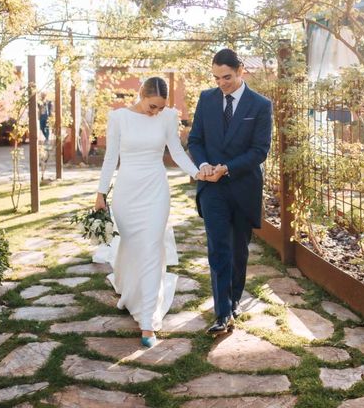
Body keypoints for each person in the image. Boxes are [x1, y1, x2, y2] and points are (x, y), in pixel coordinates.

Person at [94, 77, 201, 347]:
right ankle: (131, 294)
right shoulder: (119, 118)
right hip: (127, 193)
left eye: (160, 107)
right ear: (141, 95)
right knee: (131, 248)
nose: (155, 112)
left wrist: (197, 173)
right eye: (152, 106)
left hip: (156, 190)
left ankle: (148, 322)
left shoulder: (167, 117)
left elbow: (176, 150)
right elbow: (111, 157)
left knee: (153, 248)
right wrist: (100, 193)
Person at [188, 48, 273, 335]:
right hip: (211, 188)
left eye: (226, 77)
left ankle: (234, 299)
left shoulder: (260, 105)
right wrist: (203, 164)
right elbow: (196, 139)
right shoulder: (206, 99)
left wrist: (227, 167)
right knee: (218, 249)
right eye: (216, 77)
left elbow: (259, 151)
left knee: (238, 250)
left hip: (242, 186)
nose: (221, 83)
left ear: (240, 72)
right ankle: (222, 313)